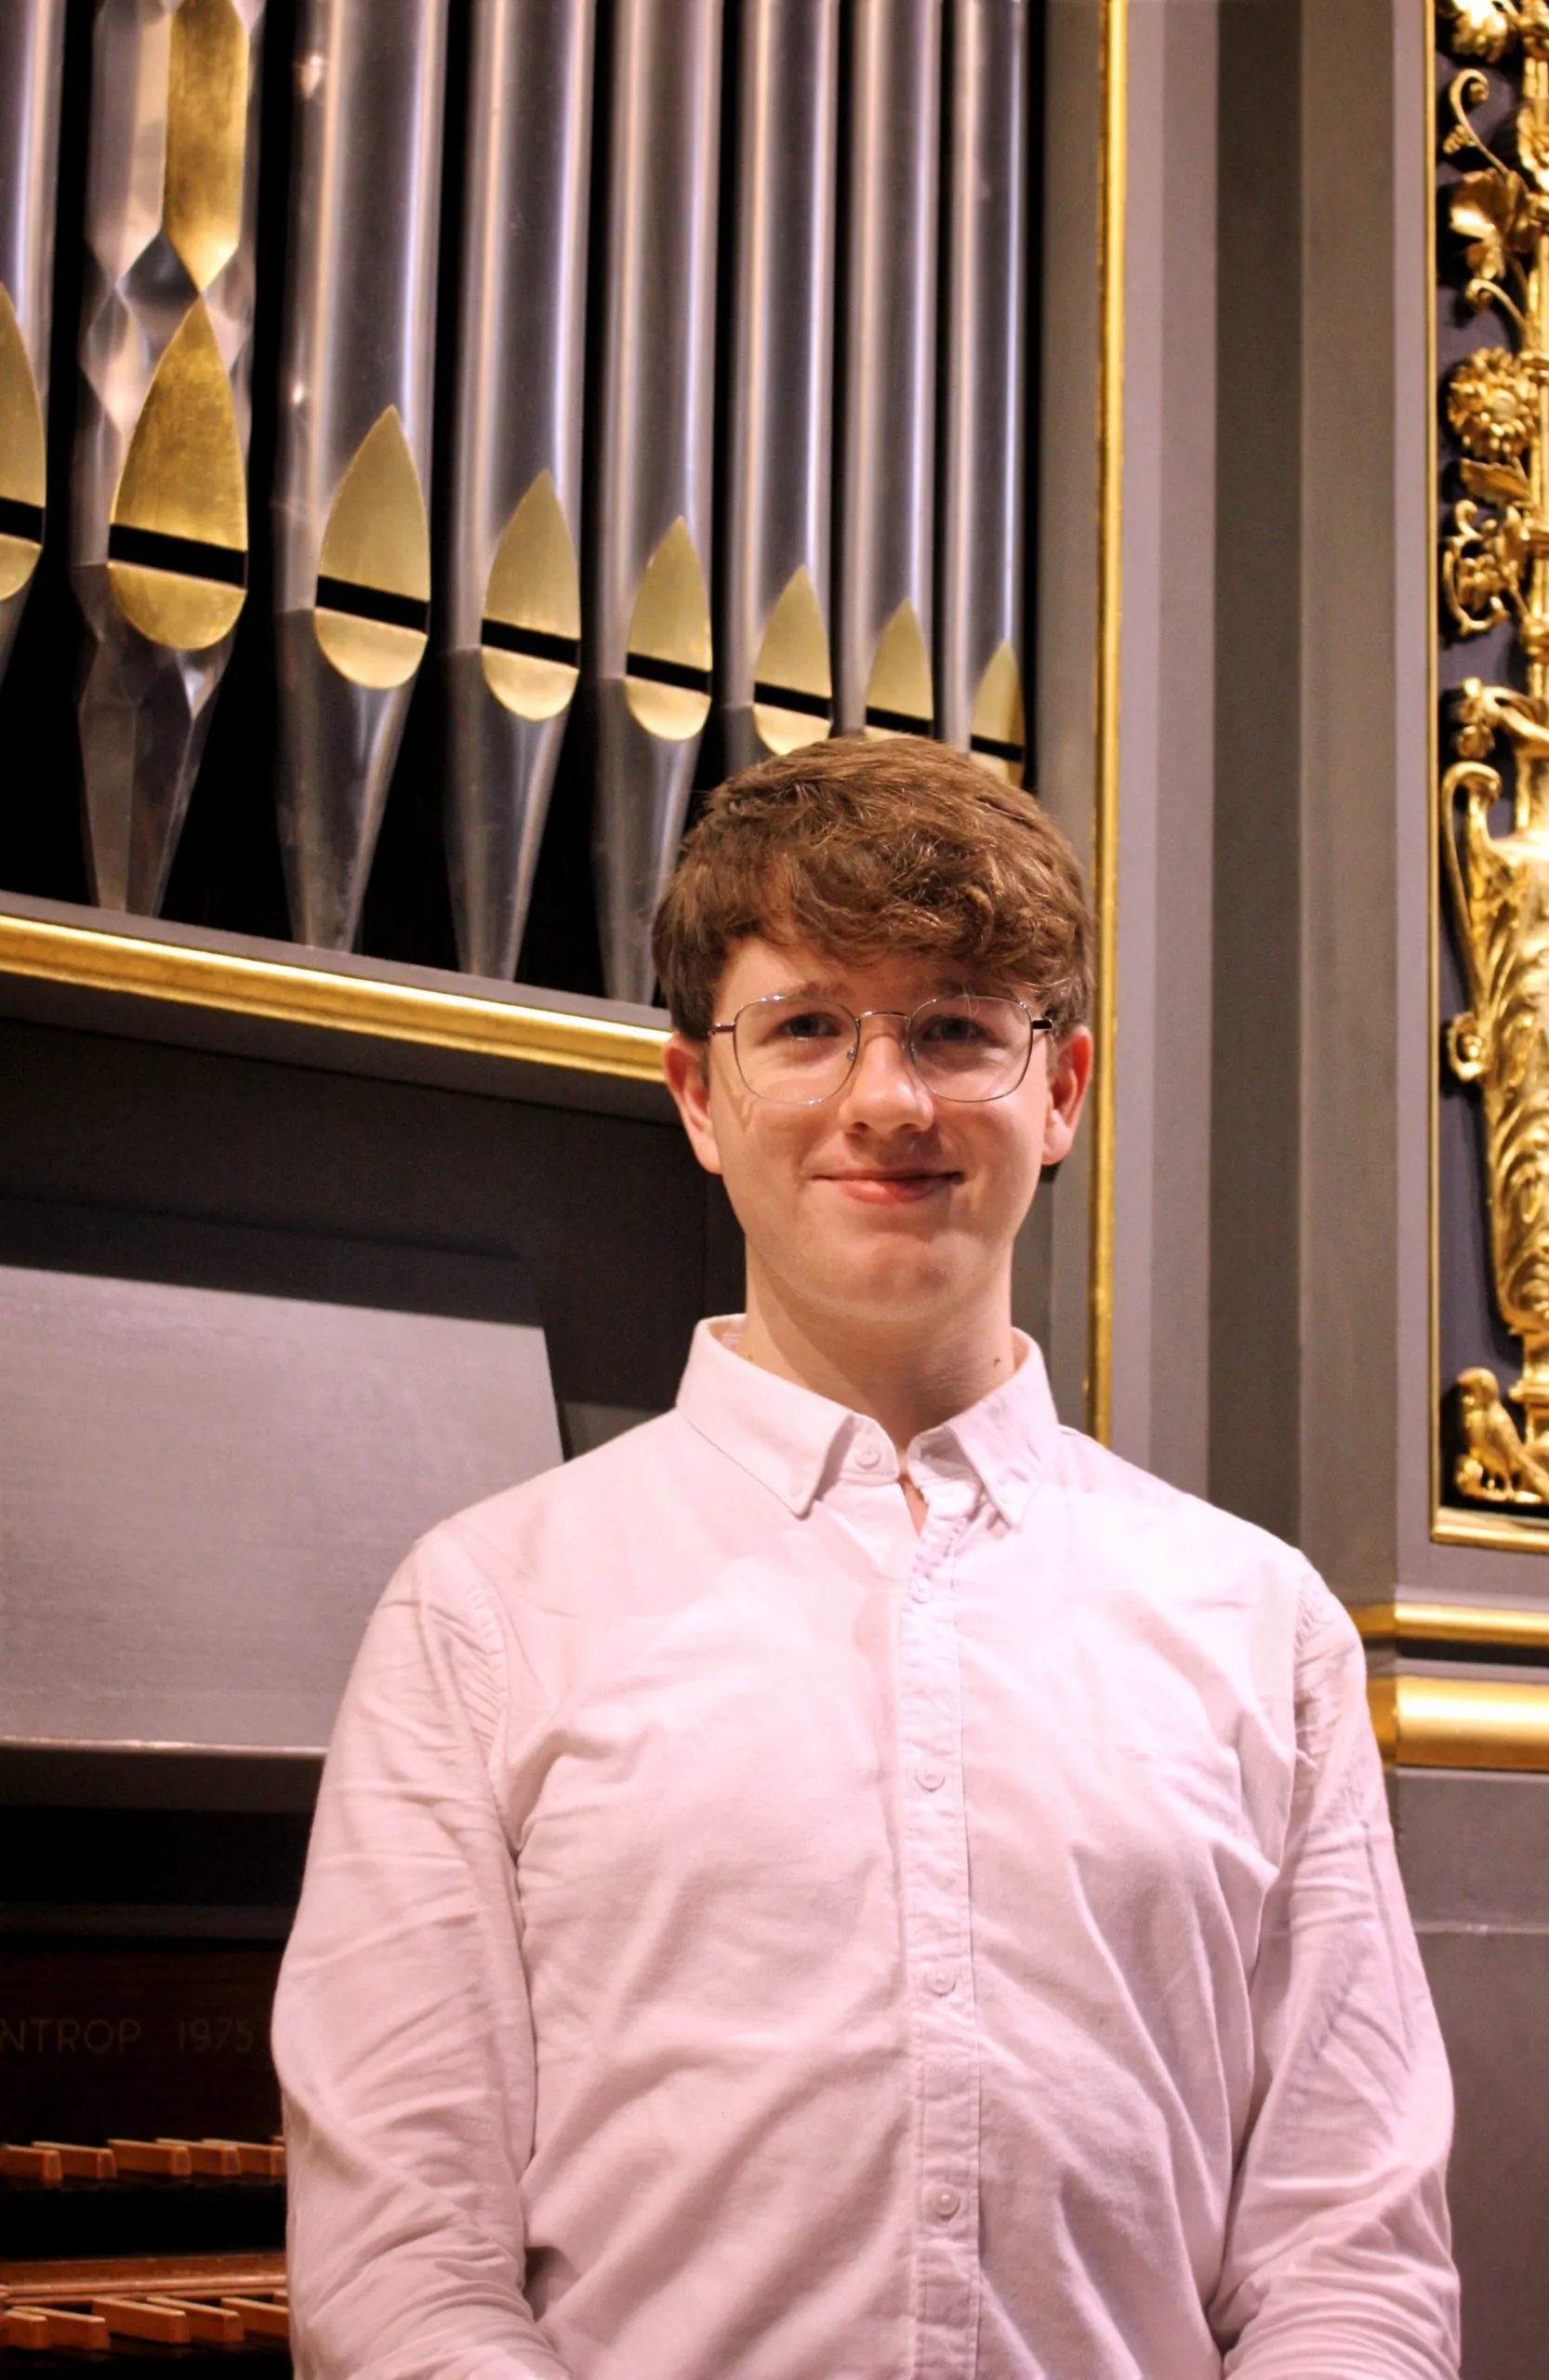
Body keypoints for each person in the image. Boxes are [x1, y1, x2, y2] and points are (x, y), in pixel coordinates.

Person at [273, 735, 1461, 2378]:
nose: (888, 1100)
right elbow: (404, 2273)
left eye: (958, 1029)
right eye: (807, 1027)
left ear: (1061, 1092)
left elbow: (1351, 2263)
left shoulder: (1264, 1626)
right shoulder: (483, 1610)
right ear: (700, 1097)